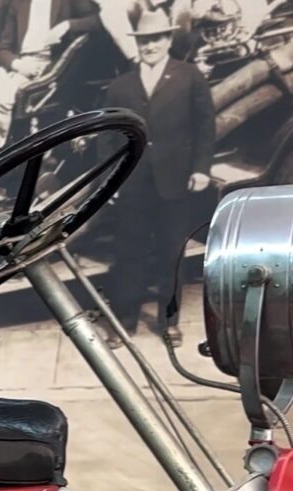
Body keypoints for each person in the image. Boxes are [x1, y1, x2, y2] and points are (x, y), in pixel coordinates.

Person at [100, 10, 216, 334]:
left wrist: (201, 168)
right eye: (144, 41)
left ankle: (170, 322)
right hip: (133, 184)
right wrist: (112, 181)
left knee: (172, 255)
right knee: (129, 255)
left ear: (167, 40)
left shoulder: (189, 76)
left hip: (176, 182)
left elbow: (205, 127)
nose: (150, 46)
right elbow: (107, 137)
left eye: (155, 39)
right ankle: (125, 323)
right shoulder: (121, 84)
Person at [0, 0, 102, 143]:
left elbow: (99, 21)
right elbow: (3, 49)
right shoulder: (18, 4)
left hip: (48, 65)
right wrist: (18, 64)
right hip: (19, 65)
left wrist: (67, 25)